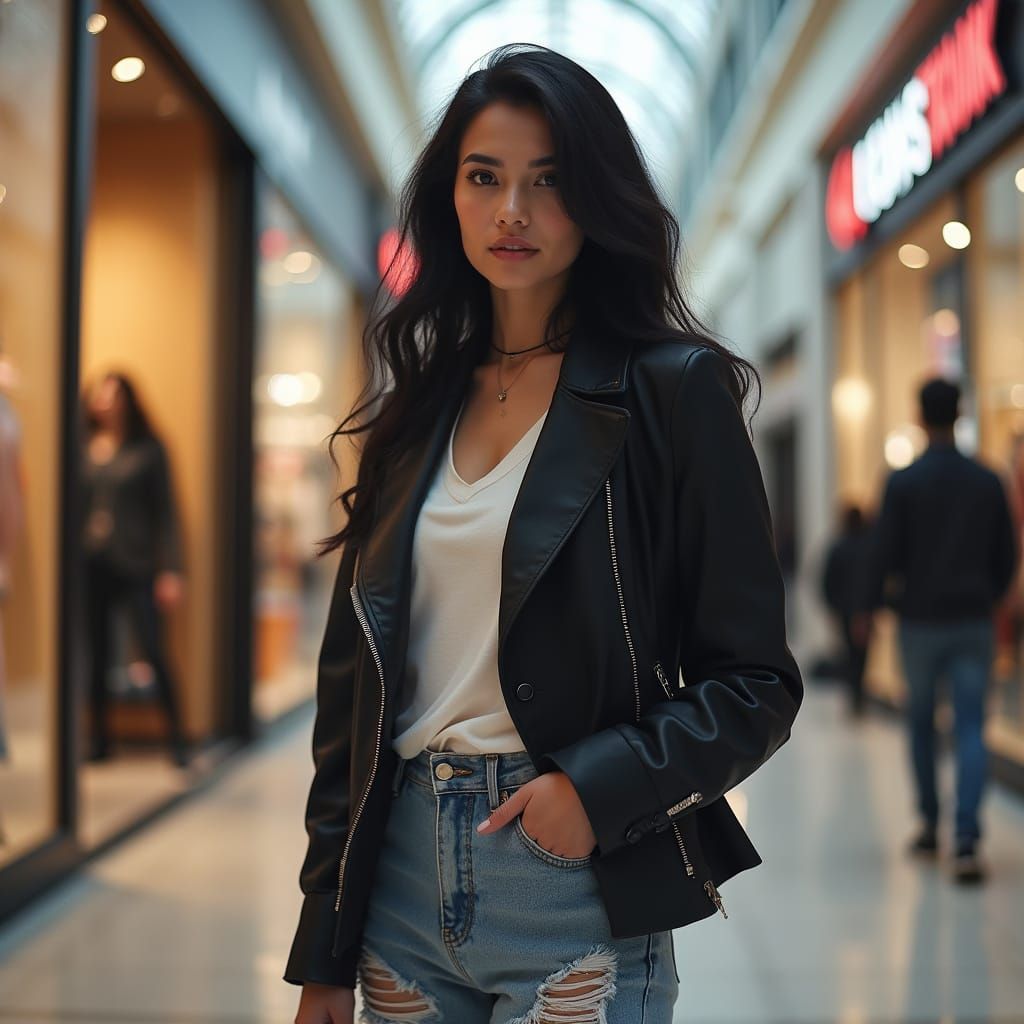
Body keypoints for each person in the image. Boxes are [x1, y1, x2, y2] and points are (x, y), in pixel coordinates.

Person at [288, 44, 803, 1024]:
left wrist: (594, 789)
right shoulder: (416, 407)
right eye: (484, 178)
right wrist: (324, 942)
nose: (511, 212)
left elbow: (755, 684)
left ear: (597, 199)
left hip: (569, 880)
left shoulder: (670, 391)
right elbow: (349, 695)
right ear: (451, 196)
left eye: (548, 181)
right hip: (397, 884)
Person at [862, 377, 1018, 884]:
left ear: (920, 416)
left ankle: (930, 825)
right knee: (972, 726)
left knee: (922, 724)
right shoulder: (987, 479)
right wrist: (989, 596)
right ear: (960, 413)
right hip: (972, 618)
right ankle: (968, 838)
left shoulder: (903, 482)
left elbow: (883, 553)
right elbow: (1007, 553)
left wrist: (880, 604)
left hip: (920, 620)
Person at [80, 371, 189, 767]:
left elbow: (167, 514)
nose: (104, 402)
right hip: (93, 563)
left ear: (127, 399)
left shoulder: (148, 448)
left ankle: (178, 740)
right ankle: (101, 739)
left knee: (152, 648)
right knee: (97, 651)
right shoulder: (83, 445)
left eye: (112, 395)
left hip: (138, 563)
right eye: (98, 395)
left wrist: (171, 570)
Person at [821, 504, 873, 717]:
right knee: (861, 656)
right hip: (864, 611)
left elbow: (827, 581)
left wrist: (833, 605)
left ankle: (855, 697)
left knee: (851, 654)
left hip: (846, 610)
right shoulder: (869, 548)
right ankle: (857, 697)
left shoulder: (839, 548)